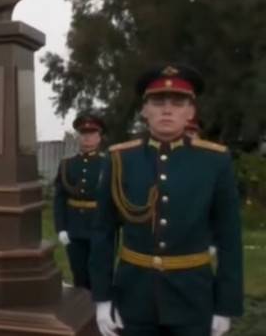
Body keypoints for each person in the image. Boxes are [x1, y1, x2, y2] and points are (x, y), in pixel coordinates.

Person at [91, 64, 243, 336]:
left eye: (178, 102)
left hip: (194, 299)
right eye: (158, 102)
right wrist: (102, 299)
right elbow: (103, 233)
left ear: (191, 112)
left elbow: (229, 238)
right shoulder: (120, 159)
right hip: (133, 298)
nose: (167, 109)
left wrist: (225, 305)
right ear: (144, 110)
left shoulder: (215, 161)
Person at [53, 112, 105, 289]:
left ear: (99, 137)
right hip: (74, 228)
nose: (87, 138)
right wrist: (61, 228)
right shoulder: (67, 164)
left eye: (91, 134)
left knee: (99, 272)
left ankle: (100, 310)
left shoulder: (109, 163)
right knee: (79, 272)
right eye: (83, 134)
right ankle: (81, 310)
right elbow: (60, 197)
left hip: (100, 226)